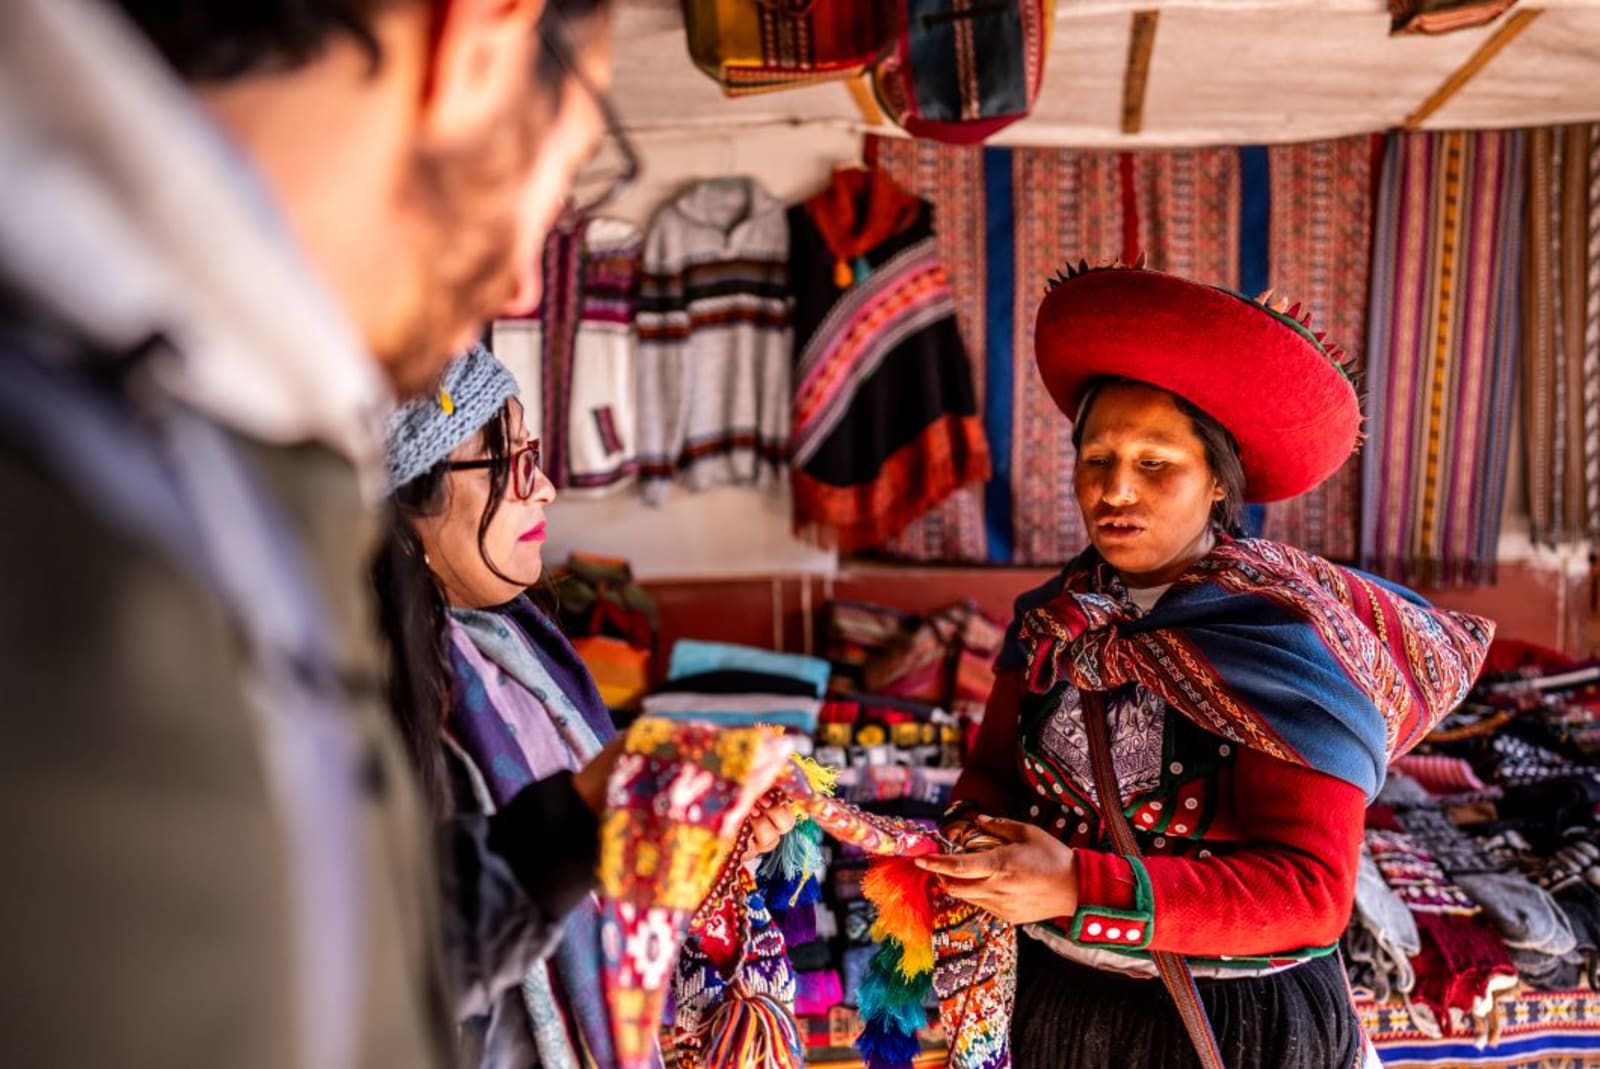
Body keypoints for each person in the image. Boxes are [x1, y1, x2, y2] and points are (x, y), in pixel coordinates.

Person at [0, 1, 625, 1066]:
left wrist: (565, 831)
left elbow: (311, 951)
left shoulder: (242, 470)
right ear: (479, 44)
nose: (523, 281)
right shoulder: (96, 497)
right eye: (565, 173)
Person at [916, 264, 1495, 1069]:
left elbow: (1310, 896)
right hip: (1058, 1004)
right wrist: (968, 837)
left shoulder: (1281, 638)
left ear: (1219, 483)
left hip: (1231, 1024)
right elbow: (991, 771)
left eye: (1156, 463)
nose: (1116, 488)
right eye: (1098, 458)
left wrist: (1081, 886)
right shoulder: (1053, 620)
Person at [375, 345, 796, 1068]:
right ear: (411, 497)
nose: (543, 490)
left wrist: (704, 852)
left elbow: (589, 897)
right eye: (510, 463)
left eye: (533, 456)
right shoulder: (381, 704)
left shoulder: (519, 655)